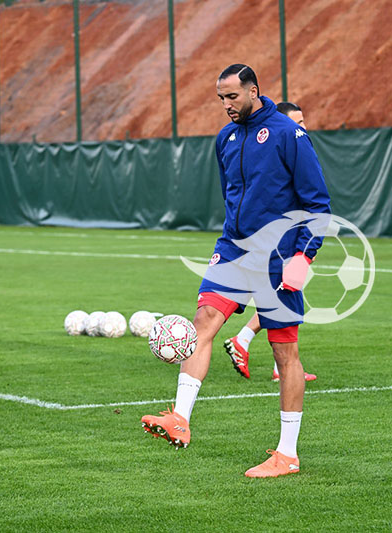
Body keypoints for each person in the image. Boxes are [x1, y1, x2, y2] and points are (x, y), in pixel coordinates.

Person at [141, 64, 331, 478]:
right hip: (232, 250)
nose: (226, 105)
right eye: (220, 98)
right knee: (203, 322)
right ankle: (180, 417)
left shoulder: (288, 134)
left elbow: (318, 205)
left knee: (284, 351)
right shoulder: (225, 137)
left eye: (232, 97)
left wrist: (304, 257)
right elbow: (233, 195)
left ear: (253, 91)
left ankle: (287, 454)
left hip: (278, 257)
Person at [224, 100, 318, 383]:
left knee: (282, 295)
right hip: (279, 243)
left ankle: (257, 348)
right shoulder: (278, 142)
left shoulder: (297, 146)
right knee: (280, 295)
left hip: (295, 238)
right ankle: (246, 340)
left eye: (303, 121)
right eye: (297, 122)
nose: (303, 127)